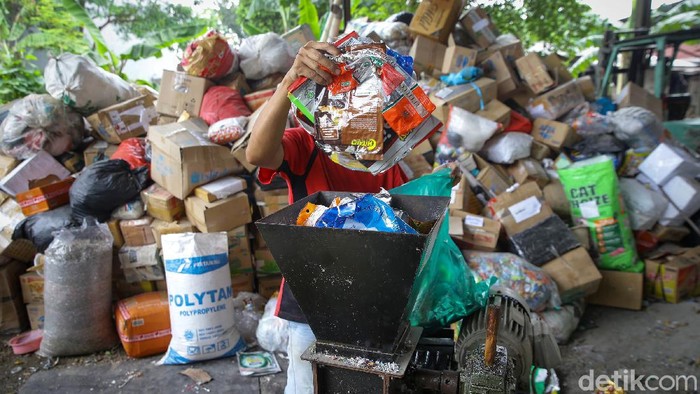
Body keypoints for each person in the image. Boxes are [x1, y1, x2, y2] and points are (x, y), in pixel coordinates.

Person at [246, 41, 409, 394]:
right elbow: (257, 152)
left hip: (374, 301)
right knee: (309, 386)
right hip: (311, 301)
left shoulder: (387, 160)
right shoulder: (307, 147)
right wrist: (291, 80)